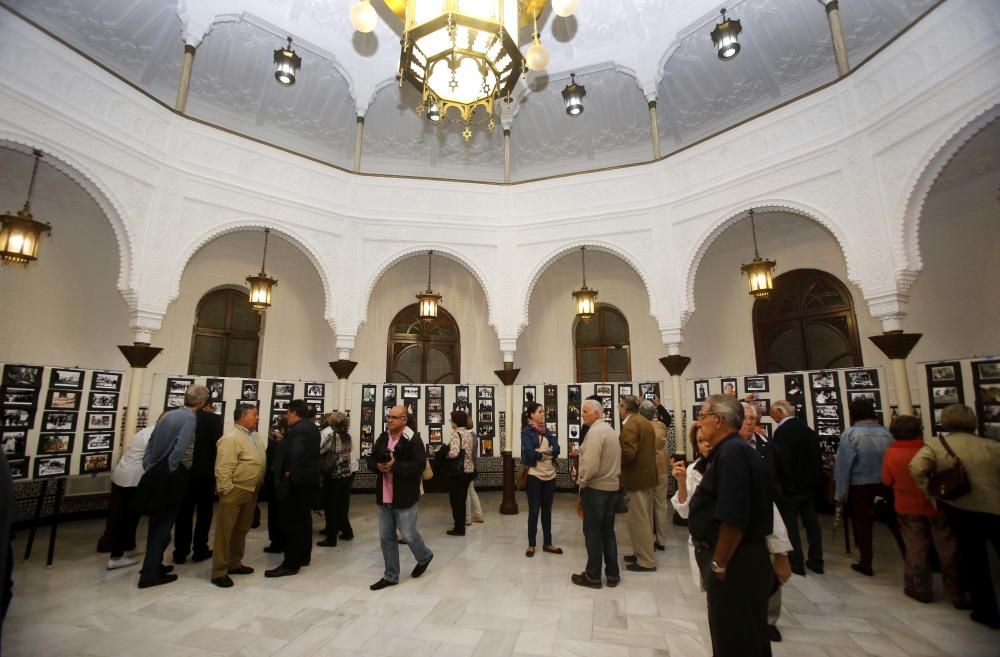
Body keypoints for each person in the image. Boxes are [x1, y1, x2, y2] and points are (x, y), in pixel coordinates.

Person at [688, 394, 773, 657]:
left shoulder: (732, 453)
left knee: (735, 639)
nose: (699, 423)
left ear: (719, 420)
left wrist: (720, 562)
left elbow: (733, 515)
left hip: (738, 562)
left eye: (703, 417)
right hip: (740, 559)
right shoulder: (731, 451)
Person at [909, 404, 1000, 630]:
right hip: (994, 507)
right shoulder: (991, 446)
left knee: (974, 560)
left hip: (960, 507)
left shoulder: (938, 445)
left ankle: (986, 610)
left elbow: (917, 467)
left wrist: (930, 492)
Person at [881, 415, 964, 605]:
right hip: (936, 505)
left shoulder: (892, 453)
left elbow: (886, 480)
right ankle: (957, 591)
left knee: (915, 548)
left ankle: (919, 588)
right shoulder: (930, 449)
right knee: (948, 549)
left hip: (907, 506)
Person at [137, 384, 208, 589]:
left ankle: (154, 564)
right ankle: (150, 573)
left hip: (155, 471)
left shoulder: (168, 415)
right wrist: (173, 469)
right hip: (171, 476)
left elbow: (151, 442)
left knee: (157, 522)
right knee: (164, 523)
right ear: (201, 402)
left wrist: (149, 465)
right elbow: (181, 446)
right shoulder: (189, 418)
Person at [740, 402, 793, 643]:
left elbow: (779, 475)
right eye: (745, 418)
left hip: (767, 512)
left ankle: (770, 619)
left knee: (769, 570)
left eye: (753, 418)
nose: (749, 422)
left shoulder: (765, 446)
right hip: (738, 517)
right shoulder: (727, 448)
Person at [834, 398, 902, 576]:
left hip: (860, 484)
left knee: (863, 524)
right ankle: (908, 556)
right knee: (896, 523)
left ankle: (866, 561)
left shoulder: (851, 434)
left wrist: (840, 493)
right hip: (886, 484)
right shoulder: (887, 434)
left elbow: (843, 465)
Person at [368, 405, 433, 590]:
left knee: (409, 535)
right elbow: (371, 458)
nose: (389, 420)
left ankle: (424, 556)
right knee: (386, 537)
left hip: (404, 496)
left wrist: (396, 467)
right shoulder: (383, 436)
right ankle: (390, 576)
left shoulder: (413, 439)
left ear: (404, 420)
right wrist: (378, 466)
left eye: (394, 417)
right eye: (388, 417)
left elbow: (419, 465)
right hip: (384, 495)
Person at [210, 403, 266, 588]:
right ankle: (219, 571)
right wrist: (226, 490)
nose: (257, 418)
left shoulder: (254, 435)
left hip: (251, 490)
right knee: (225, 532)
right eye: (254, 415)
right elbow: (223, 467)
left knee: (241, 529)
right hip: (235, 490)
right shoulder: (231, 438)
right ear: (242, 417)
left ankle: (235, 563)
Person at [265, 400, 321, 578]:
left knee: (293, 524)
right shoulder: (310, 427)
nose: (286, 417)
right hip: (306, 481)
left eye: (287, 413)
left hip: (296, 484)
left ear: (294, 413)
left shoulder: (298, 430)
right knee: (303, 520)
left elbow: (296, 453)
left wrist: (290, 474)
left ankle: (291, 563)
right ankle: (303, 556)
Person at [770, 399, 824, 575]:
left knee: (790, 524)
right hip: (808, 486)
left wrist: (783, 485)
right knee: (812, 524)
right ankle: (816, 560)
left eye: (772, 412)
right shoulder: (807, 431)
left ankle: (796, 562)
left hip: (791, 488)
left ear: (780, 412)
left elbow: (782, 462)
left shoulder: (782, 433)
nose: (771, 416)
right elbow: (817, 459)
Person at [571, 399, 621, 589]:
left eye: (585, 411)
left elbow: (590, 465)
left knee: (592, 533)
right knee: (608, 532)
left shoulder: (595, 433)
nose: (582, 413)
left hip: (596, 490)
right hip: (611, 489)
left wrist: (582, 483)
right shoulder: (610, 431)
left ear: (596, 414)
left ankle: (592, 576)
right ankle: (613, 574)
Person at [105, 412, 164, 570]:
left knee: (125, 516)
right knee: (127, 519)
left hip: (123, 476)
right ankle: (117, 556)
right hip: (133, 480)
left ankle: (128, 549)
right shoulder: (153, 435)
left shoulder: (145, 432)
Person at [173, 403, 222, 564]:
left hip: (185, 472)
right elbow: (217, 447)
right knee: (204, 512)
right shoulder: (213, 420)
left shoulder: (180, 417)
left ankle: (180, 552)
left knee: (183, 514)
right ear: (205, 404)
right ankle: (200, 549)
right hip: (205, 473)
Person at [619, 395, 657, 572]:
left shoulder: (631, 424)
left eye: (620, 406)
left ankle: (646, 560)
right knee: (645, 519)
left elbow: (628, 453)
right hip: (647, 477)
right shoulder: (644, 421)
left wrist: (615, 462)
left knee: (639, 520)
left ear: (625, 408)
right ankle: (641, 553)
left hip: (636, 478)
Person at [671, 424, 712, 588]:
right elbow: (685, 510)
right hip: (704, 544)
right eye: (700, 441)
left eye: (709, 440)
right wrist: (681, 481)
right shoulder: (693, 469)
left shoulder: (732, 464)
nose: (706, 445)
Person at [521, 401, 562, 557]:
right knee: (534, 510)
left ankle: (548, 543)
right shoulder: (526, 432)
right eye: (540, 412)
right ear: (532, 414)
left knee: (547, 511)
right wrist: (546, 453)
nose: (543, 414)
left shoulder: (547, 431)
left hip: (550, 475)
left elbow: (558, 448)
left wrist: (546, 452)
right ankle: (531, 544)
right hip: (534, 476)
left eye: (543, 412)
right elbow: (530, 453)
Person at [318, 412, 354, 547]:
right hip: (346, 475)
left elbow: (319, 450)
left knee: (330, 507)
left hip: (333, 476)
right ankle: (347, 532)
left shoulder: (332, 437)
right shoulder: (348, 436)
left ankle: (331, 538)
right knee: (342, 506)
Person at [639, 400, 669, 551]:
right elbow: (667, 419)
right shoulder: (662, 426)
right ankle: (662, 541)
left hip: (648, 470)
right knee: (661, 505)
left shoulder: (642, 428)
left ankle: (648, 540)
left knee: (647, 506)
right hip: (663, 469)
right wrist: (659, 404)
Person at [443, 410, 476, 536]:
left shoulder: (456, 434)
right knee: (461, 499)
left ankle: (459, 528)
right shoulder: (469, 434)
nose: (451, 422)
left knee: (455, 500)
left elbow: (454, 453)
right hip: (468, 470)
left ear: (456, 421)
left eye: (451, 420)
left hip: (458, 471)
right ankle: (460, 527)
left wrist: (444, 453)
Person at [262, 415, 288, 554]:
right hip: (286, 485)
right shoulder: (290, 442)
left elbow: (268, 462)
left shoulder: (275, 444)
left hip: (275, 484)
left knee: (275, 514)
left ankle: (277, 543)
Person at [465, 414, 484, 525]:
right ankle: (478, 514)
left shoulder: (467, 436)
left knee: (468, 492)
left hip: (468, 467)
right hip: (473, 466)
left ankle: (468, 518)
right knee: (472, 491)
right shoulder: (474, 435)